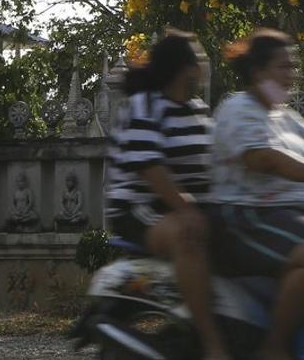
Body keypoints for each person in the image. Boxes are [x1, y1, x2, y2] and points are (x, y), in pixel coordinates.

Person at [211, 29, 304, 360]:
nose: (291, 74)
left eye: (293, 66)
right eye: (283, 66)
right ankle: (275, 348)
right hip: (245, 215)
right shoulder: (238, 108)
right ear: (257, 71)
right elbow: (264, 158)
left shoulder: (285, 117)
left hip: (294, 213)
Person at [107, 31, 230, 360]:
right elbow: (150, 167)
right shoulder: (145, 105)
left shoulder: (198, 109)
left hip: (185, 206)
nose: (205, 64)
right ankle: (211, 342)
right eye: (200, 58)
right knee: (189, 236)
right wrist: (187, 208)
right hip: (140, 207)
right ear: (186, 68)